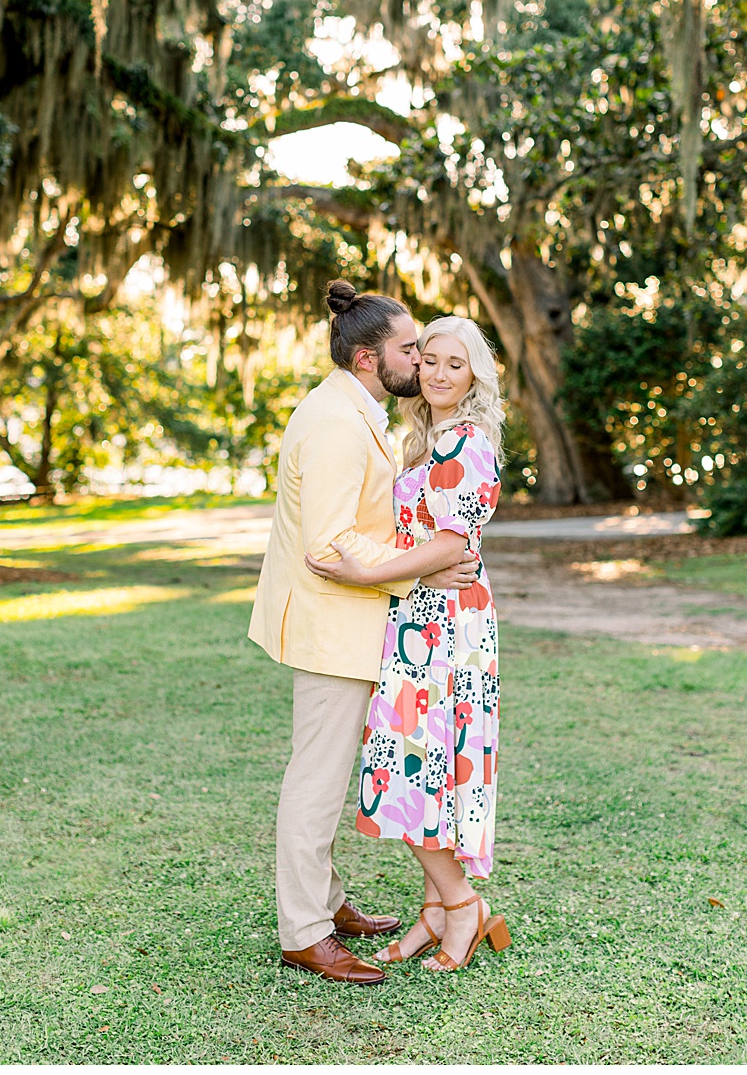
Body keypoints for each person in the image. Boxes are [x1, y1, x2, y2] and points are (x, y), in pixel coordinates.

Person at [248, 279, 478, 986]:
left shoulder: (356, 410)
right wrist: (416, 573)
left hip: (349, 621)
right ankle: (306, 932)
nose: (422, 358)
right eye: (410, 348)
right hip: (329, 624)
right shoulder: (335, 423)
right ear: (369, 360)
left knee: (324, 774)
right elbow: (329, 544)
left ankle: (329, 902)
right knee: (315, 782)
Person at [307, 315, 510, 973]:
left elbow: (451, 545)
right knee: (429, 768)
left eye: (457, 364)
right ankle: (433, 913)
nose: (441, 373)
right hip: (424, 619)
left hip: (447, 626)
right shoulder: (428, 440)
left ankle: (462, 906)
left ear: (474, 373)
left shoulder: (464, 445)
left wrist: (367, 571)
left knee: (409, 767)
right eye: (430, 361)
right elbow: (434, 542)